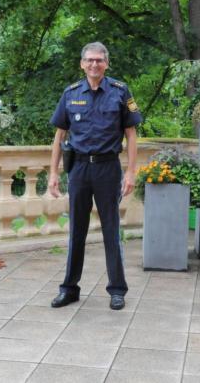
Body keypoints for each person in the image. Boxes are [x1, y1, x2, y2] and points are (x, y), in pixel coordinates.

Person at [47, 42, 142, 310]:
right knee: (77, 230)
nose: (94, 64)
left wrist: (130, 172)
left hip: (107, 168)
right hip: (78, 169)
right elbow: (59, 136)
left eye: (99, 60)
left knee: (111, 229)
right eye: (89, 60)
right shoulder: (70, 94)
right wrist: (53, 172)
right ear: (82, 64)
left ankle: (117, 290)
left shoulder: (120, 92)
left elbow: (131, 134)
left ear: (106, 64)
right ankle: (69, 289)